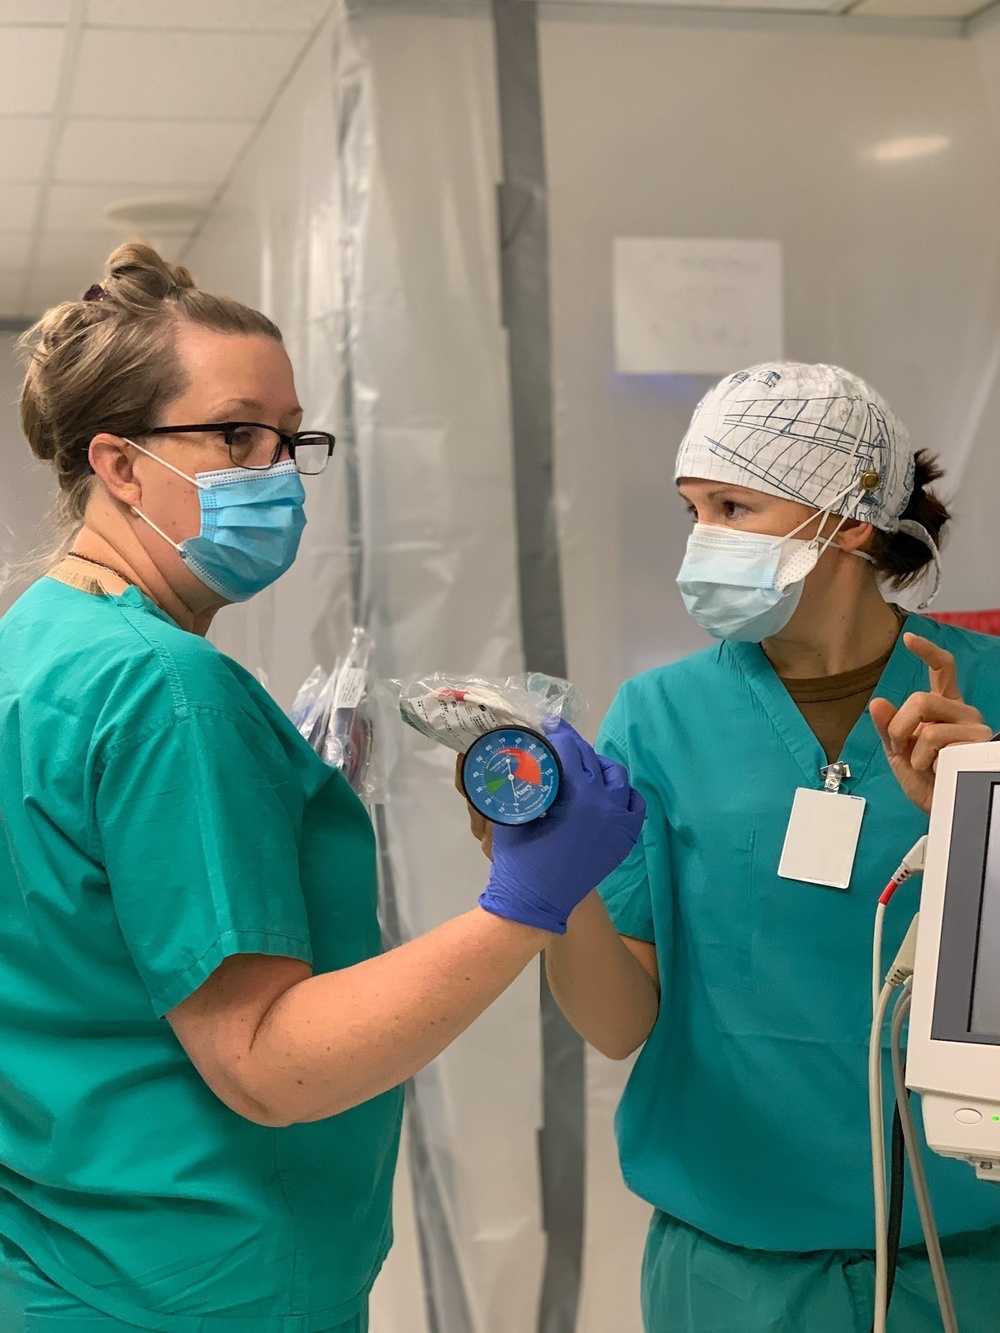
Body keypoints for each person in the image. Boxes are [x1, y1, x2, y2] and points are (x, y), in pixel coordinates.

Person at [0, 243, 646, 1333]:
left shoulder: (39, 641)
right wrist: (526, 898)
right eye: (236, 433)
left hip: (70, 1256)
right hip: (202, 1280)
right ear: (115, 463)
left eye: (291, 436)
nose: (275, 466)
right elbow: (268, 1067)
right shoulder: (170, 688)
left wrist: (273, 805)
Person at [537, 363, 1000, 1331]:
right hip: (728, 1277)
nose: (702, 540)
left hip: (965, 1264)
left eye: (734, 505)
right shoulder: (658, 718)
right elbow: (621, 1022)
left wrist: (980, 819)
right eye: (691, 509)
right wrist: (549, 883)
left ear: (851, 520)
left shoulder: (982, 702)